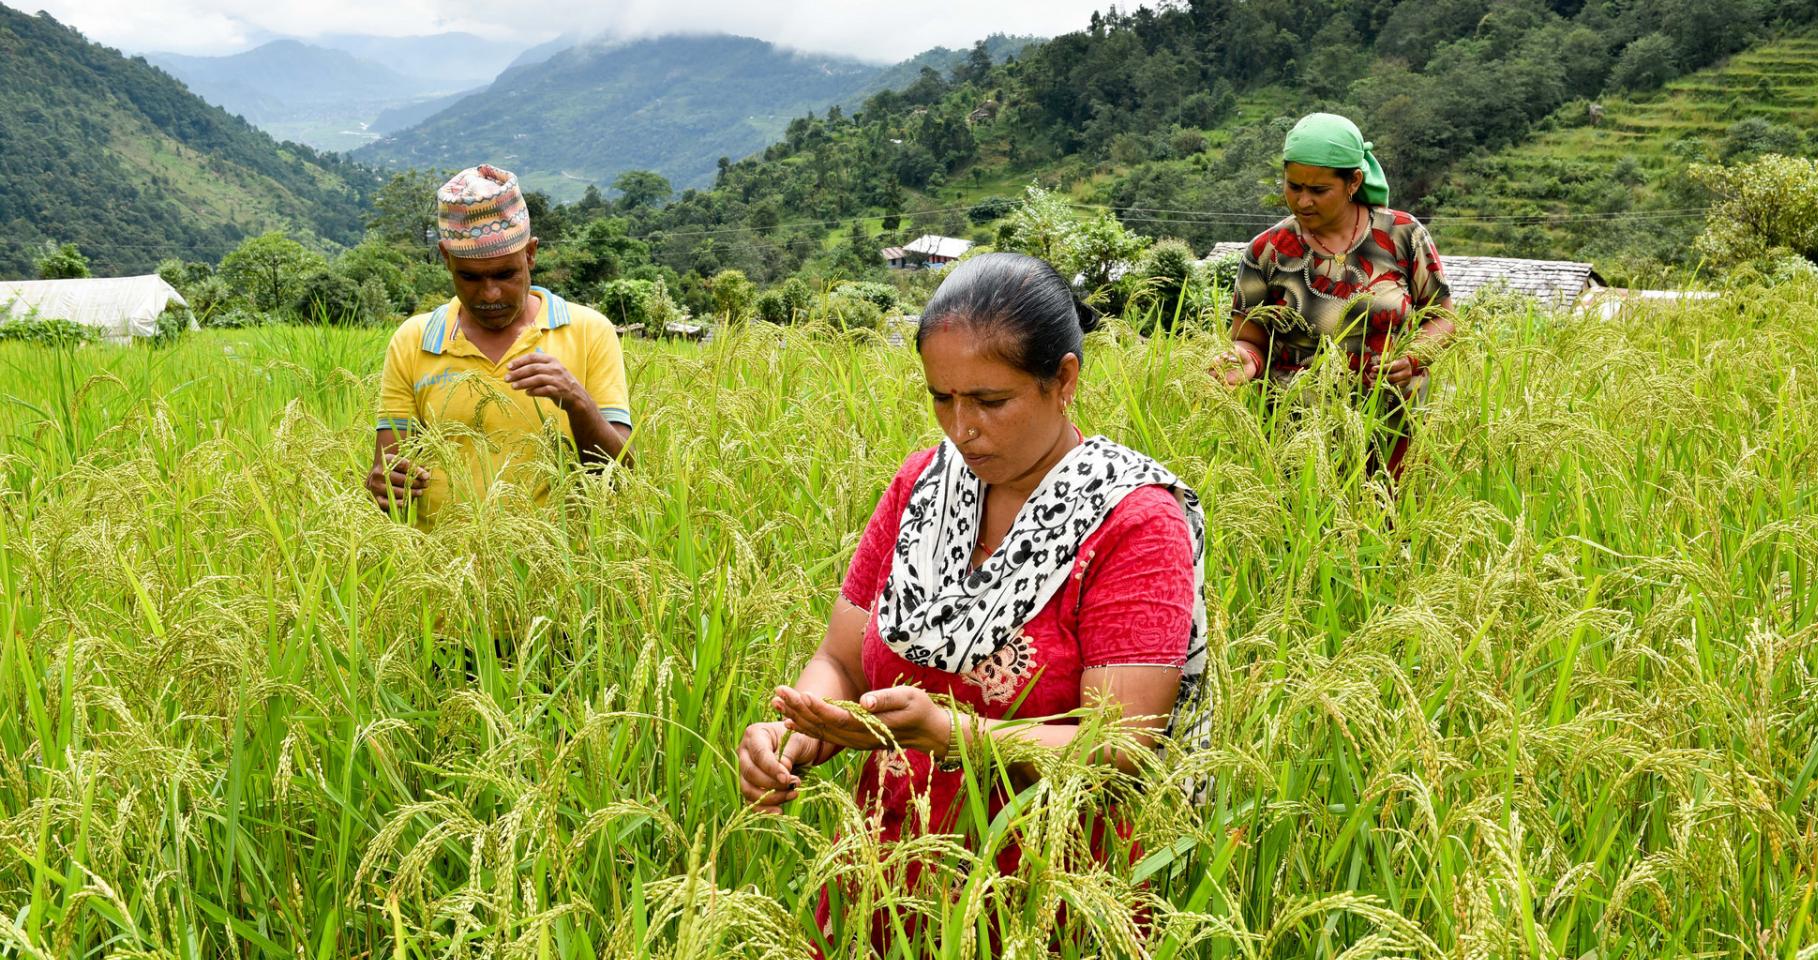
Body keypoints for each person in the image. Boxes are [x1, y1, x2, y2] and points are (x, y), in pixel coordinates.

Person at [736, 253, 1208, 948]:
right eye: (941, 397)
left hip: (1041, 893)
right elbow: (842, 659)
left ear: (1064, 380)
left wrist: (955, 736)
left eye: (990, 401)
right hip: (884, 876)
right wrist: (798, 731)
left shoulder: (1132, 522)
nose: (962, 428)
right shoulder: (922, 487)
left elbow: (1122, 744)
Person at [367, 165, 633, 520]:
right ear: (446, 258)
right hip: (443, 566)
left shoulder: (588, 331)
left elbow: (622, 477)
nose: (490, 293)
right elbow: (389, 473)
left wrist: (577, 400)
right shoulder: (414, 341)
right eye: (470, 277)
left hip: (562, 567)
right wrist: (383, 486)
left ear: (530, 254)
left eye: (506, 274)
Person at [1217, 113, 1455, 479]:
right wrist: (1242, 361)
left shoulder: (1403, 236)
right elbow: (1249, 340)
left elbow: (1443, 318)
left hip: (1393, 432)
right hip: (1299, 442)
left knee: (1392, 530)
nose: (1303, 201)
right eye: (1293, 186)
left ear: (1353, 181)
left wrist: (1414, 357)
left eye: (1318, 190)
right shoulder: (1267, 251)